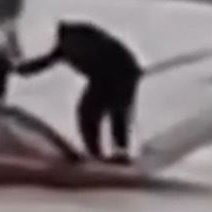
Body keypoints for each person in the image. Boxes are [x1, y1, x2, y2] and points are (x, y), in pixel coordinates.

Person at [16, 21, 143, 163]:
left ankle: (116, 151)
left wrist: (130, 72)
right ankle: (98, 152)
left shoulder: (82, 40)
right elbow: (45, 62)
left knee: (114, 109)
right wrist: (21, 70)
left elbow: (113, 54)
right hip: (107, 75)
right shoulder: (66, 46)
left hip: (120, 72)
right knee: (92, 112)